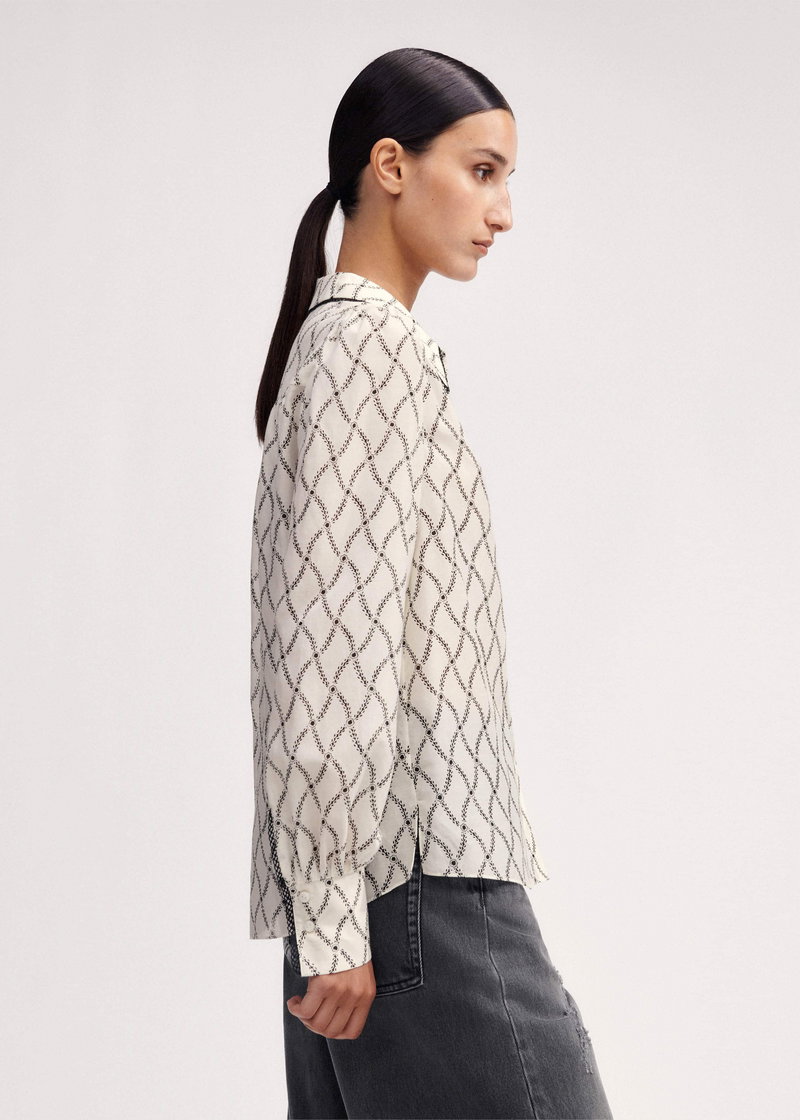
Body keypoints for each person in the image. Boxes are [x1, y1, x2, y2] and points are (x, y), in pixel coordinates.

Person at [250, 46, 614, 1120]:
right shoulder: (368, 351)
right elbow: (331, 653)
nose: (502, 211)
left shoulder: (341, 348)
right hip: (417, 892)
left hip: (370, 900)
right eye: (482, 171)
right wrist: (333, 911)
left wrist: (325, 911)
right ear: (391, 166)